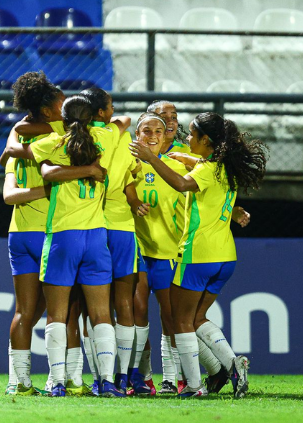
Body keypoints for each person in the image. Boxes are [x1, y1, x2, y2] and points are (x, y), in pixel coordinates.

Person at [128, 112, 267, 398]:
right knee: (196, 318)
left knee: (180, 322)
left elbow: (181, 184)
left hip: (197, 255)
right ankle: (232, 364)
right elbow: (199, 167)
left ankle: (194, 385)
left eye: (192, 135)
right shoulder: (225, 168)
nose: (186, 139)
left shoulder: (204, 171)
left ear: (207, 140)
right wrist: (179, 158)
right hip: (225, 256)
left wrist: (152, 158)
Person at [4, 95, 130, 397]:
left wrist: (20, 130)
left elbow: (31, 162)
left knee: (57, 314)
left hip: (63, 236)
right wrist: (91, 168)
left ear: (63, 117)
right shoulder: (107, 137)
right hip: (97, 236)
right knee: (101, 314)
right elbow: (123, 121)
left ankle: (57, 382)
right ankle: (107, 382)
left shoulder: (55, 143)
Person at [2, 72, 98, 396]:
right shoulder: (62, 131)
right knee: (66, 309)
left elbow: (8, 196)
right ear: (47, 110)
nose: (65, 105)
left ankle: (18, 382)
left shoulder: (18, 136)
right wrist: (47, 189)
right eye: (60, 102)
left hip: (19, 233)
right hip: (52, 232)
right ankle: (70, 379)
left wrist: (12, 145)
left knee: (23, 312)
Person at [124, 112, 190, 395]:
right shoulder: (127, 166)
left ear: (166, 138)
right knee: (137, 313)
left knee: (170, 315)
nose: (152, 136)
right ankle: (143, 377)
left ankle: (173, 377)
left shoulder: (175, 167)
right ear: (136, 136)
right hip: (137, 250)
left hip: (167, 251)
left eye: (158, 132)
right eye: (146, 130)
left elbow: (200, 198)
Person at [80, 88, 141, 394]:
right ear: (103, 113)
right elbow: (129, 176)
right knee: (124, 303)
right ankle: (125, 376)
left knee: (91, 306)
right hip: (122, 228)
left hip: (89, 225)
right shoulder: (120, 135)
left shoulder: (74, 138)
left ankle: (96, 376)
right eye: (111, 106)